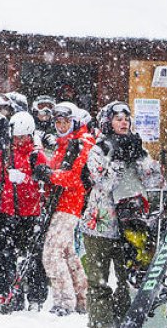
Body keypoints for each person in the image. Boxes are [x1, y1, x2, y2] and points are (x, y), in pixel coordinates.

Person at [79, 102, 162, 328]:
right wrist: (117, 157)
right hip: (100, 227)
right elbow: (104, 183)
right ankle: (101, 324)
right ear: (107, 122)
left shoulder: (137, 148)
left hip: (132, 225)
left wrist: (140, 157)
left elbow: (154, 180)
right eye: (118, 118)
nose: (124, 122)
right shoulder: (98, 149)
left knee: (130, 284)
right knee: (98, 284)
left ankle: (124, 321)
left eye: (126, 118)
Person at [35, 101, 94, 317]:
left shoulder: (81, 142)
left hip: (71, 205)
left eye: (66, 121)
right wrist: (43, 170)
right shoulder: (63, 143)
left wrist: (50, 175)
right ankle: (82, 298)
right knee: (68, 254)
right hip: (59, 204)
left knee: (51, 254)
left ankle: (64, 300)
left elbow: (73, 179)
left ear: (75, 120)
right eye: (58, 121)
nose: (61, 125)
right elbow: (59, 172)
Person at [0, 111, 50, 314]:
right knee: (6, 256)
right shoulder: (6, 154)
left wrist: (26, 179)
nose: (20, 140)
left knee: (33, 257)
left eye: (24, 137)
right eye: (16, 137)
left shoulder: (36, 155)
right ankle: (10, 295)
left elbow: (46, 184)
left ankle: (36, 296)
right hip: (9, 211)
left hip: (31, 212)